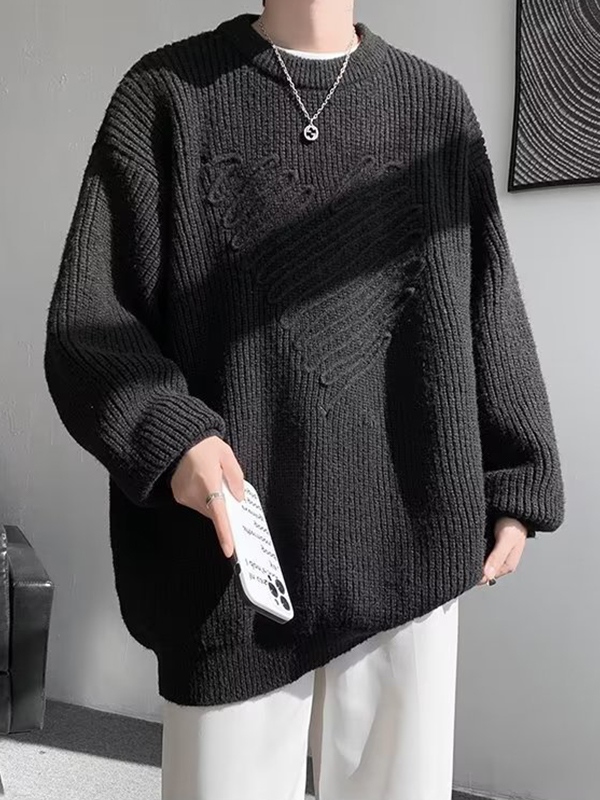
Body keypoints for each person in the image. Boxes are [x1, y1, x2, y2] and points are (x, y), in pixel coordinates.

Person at [44, 2, 565, 799]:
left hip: (408, 546)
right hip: (229, 560)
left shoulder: (435, 109)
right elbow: (89, 323)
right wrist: (174, 438)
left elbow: (487, 302)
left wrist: (517, 477)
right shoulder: (167, 95)